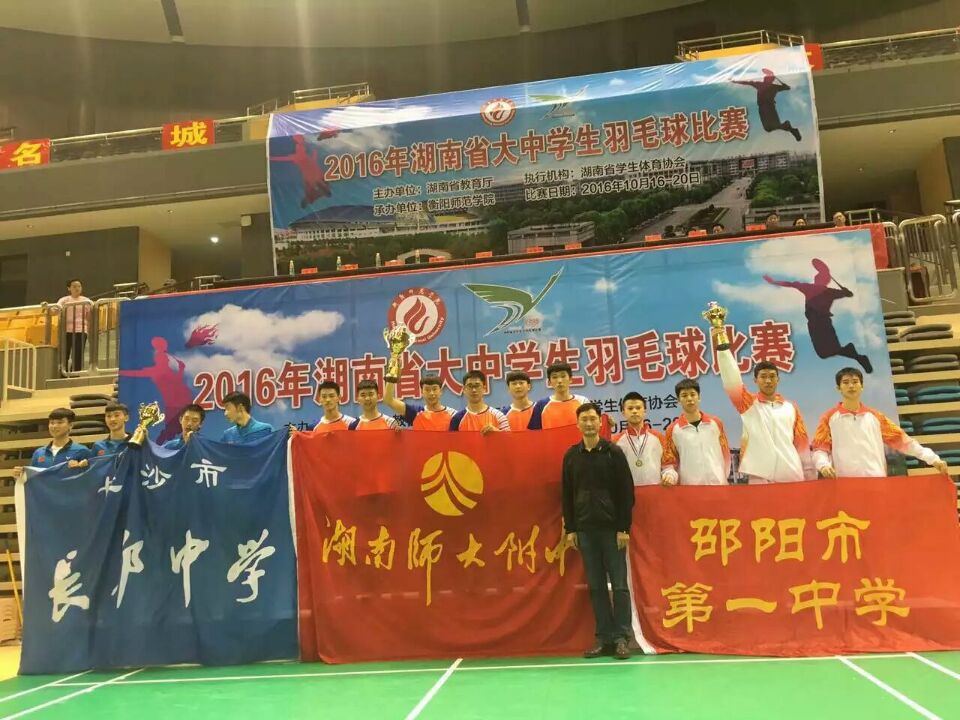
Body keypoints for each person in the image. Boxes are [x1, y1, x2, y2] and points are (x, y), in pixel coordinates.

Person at [562, 403, 634, 660]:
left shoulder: (613, 453)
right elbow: (567, 495)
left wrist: (623, 528)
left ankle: (622, 638)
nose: (589, 423)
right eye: (584, 419)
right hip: (585, 531)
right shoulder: (572, 456)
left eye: (593, 419)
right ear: (578, 424)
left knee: (620, 586)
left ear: (600, 422)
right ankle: (604, 638)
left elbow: (626, 493)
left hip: (613, 530)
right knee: (596, 587)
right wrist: (571, 529)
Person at [713, 329, 811, 483]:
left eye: (772, 376)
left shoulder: (791, 407)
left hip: (791, 472)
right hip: (760, 475)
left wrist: (809, 473)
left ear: (778, 379)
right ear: (755, 380)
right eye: (763, 377)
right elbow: (732, 380)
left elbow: (801, 441)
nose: (768, 381)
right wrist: (723, 349)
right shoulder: (747, 404)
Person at [813, 367, 947, 477]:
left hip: (877, 481)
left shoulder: (876, 417)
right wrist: (823, 465)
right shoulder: (828, 418)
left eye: (855, 382)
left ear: (862, 386)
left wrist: (932, 458)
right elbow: (819, 449)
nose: (851, 386)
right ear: (839, 388)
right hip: (845, 483)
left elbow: (904, 441)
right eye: (846, 382)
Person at [763, 258, 872, 373]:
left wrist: (773, 282)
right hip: (817, 322)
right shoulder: (830, 291)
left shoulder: (814, 289)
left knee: (827, 351)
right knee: (825, 353)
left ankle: (855, 354)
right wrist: (845, 291)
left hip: (821, 322)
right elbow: (849, 294)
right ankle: (854, 354)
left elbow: (790, 284)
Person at [662, 380, 731, 485]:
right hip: (690, 487)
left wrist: (723, 476)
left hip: (719, 484)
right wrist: (670, 475)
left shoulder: (715, 423)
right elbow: (669, 462)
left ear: (699, 397)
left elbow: (725, 452)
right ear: (678, 400)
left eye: (692, 394)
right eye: (684, 395)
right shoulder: (672, 430)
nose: (689, 399)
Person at [612, 392, 671, 486]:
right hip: (627, 492)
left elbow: (668, 465)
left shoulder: (659, 437)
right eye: (630, 408)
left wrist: (669, 475)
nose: (634, 411)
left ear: (645, 411)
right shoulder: (615, 441)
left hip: (654, 491)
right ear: (623, 413)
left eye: (638, 408)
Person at [13, 408, 90, 478]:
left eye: (60, 422)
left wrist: (80, 469)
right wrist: (20, 475)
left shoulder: (82, 451)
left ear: (70, 425)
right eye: (52, 423)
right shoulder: (39, 453)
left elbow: (90, 479)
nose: (54, 426)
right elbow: (32, 479)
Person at [733, 69, 802, 141]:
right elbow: (787, 87)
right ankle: (789, 127)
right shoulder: (774, 86)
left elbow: (748, 83)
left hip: (769, 107)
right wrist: (783, 84)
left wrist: (735, 81)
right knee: (768, 129)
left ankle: (790, 128)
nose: (764, 78)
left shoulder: (764, 85)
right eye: (765, 78)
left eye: (766, 78)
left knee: (773, 126)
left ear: (769, 80)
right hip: (762, 108)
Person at [528, 363, 591, 429]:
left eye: (563, 376)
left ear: (570, 379)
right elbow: (535, 433)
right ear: (549, 382)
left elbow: (591, 426)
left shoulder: (583, 402)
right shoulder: (541, 405)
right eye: (555, 377)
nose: (559, 381)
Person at [383, 375, 454, 431]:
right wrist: (391, 378)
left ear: (441, 391)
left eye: (434, 389)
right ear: (422, 392)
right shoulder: (416, 413)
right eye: (427, 390)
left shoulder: (453, 415)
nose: (431, 393)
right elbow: (388, 400)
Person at [54, 279, 92, 373]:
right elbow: (56, 309)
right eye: (74, 286)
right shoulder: (64, 300)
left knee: (78, 354)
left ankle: (75, 373)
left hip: (81, 330)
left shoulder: (87, 301)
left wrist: (90, 331)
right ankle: (63, 374)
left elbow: (90, 317)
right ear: (69, 288)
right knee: (64, 354)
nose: (77, 288)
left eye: (79, 286)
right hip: (66, 331)